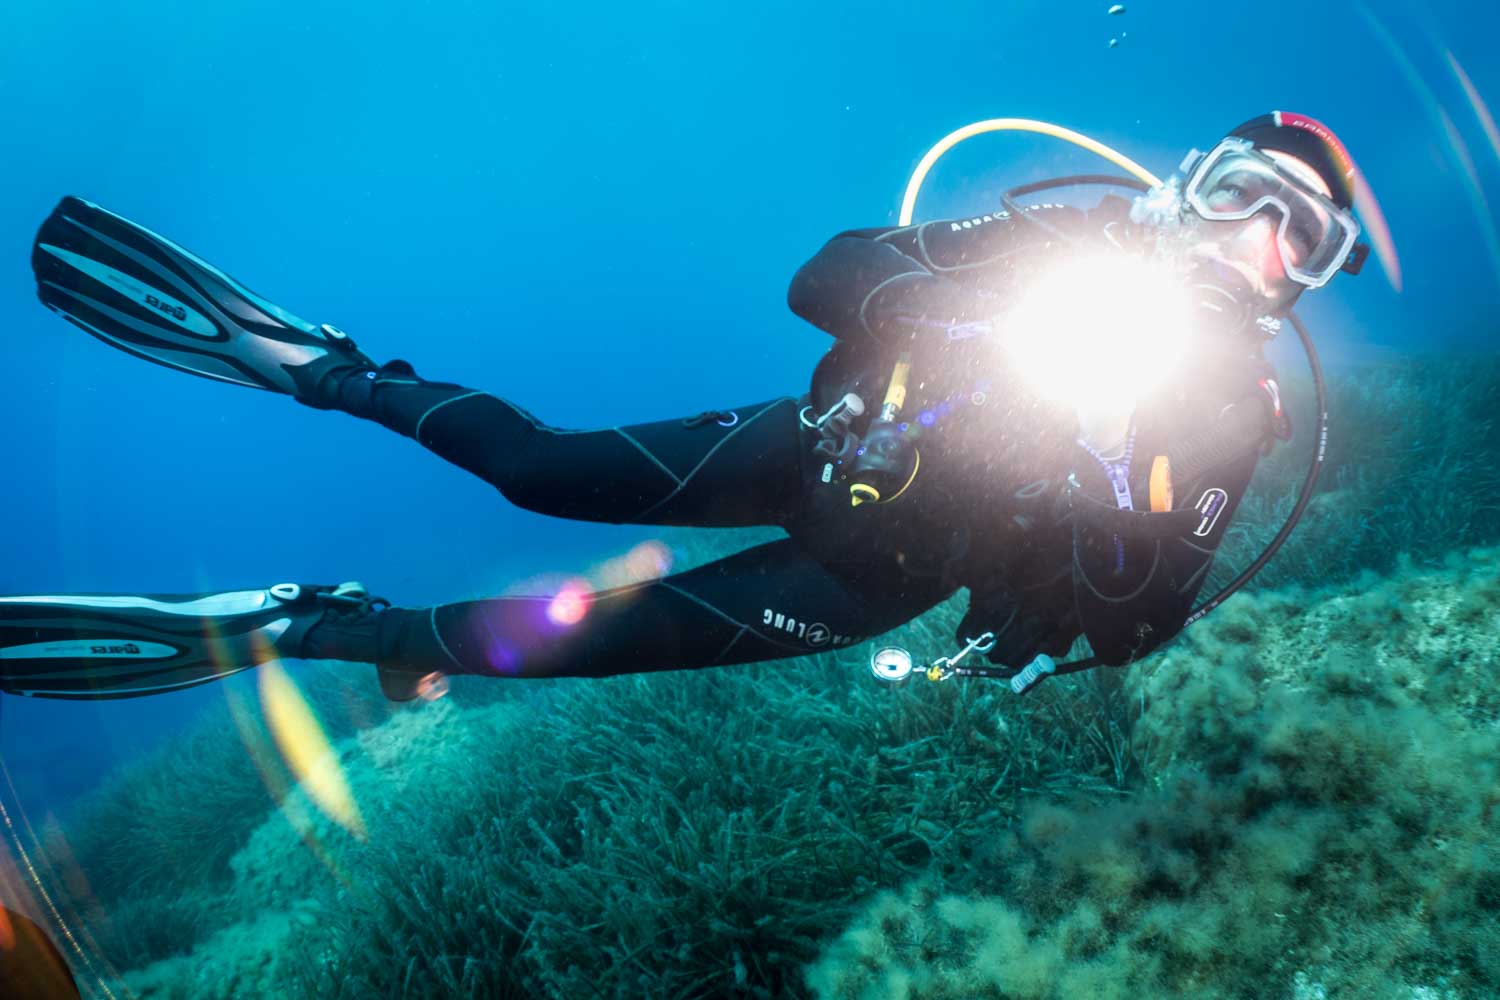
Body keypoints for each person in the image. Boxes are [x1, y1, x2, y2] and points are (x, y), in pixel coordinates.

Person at [4, 112, 1367, 702]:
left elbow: (1135, 624)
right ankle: (325, 368)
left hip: (868, 583)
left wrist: (1115, 490)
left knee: (555, 645)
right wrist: (961, 315)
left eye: (1292, 241)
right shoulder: (1051, 248)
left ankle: (310, 624)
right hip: (810, 449)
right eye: (1246, 196)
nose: (1251, 243)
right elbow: (822, 275)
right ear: (1195, 179)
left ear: (1303, 281)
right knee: (536, 469)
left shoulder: (1229, 415)